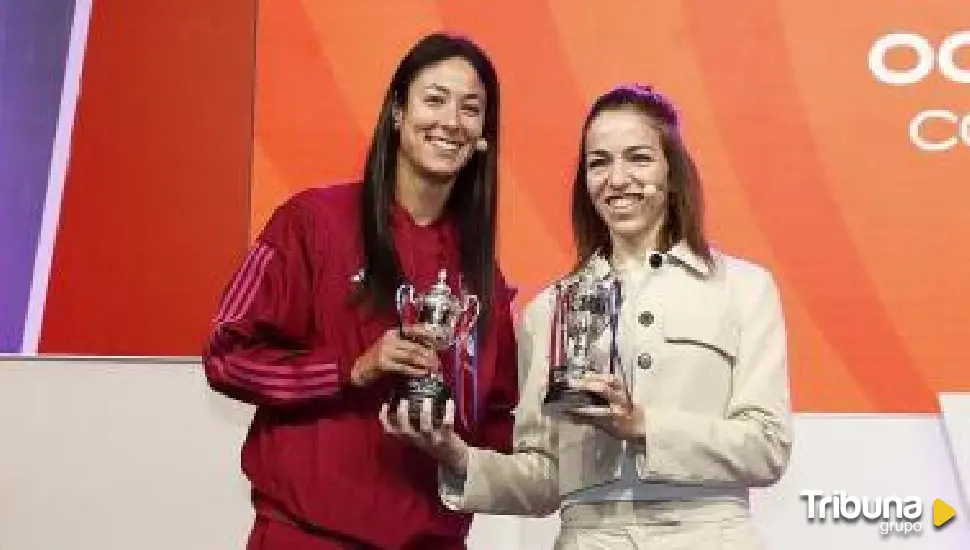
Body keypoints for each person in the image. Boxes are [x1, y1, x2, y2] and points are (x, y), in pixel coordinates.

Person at [382, 83, 793, 549]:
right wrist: (454, 454)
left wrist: (642, 425)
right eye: (599, 162)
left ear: (673, 171)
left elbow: (767, 445)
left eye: (638, 158)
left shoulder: (742, 288)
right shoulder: (549, 310)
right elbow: (543, 479)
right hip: (589, 536)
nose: (617, 179)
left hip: (709, 532)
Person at [203, 33, 519, 550]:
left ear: (483, 134)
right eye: (433, 99)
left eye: (470, 108)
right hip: (308, 536)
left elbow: (498, 424)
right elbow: (226, 356)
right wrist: (352, 366)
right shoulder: (311, 222)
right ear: (397, 112)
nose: (450, 121)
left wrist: (460, 452)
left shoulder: (484, 278)